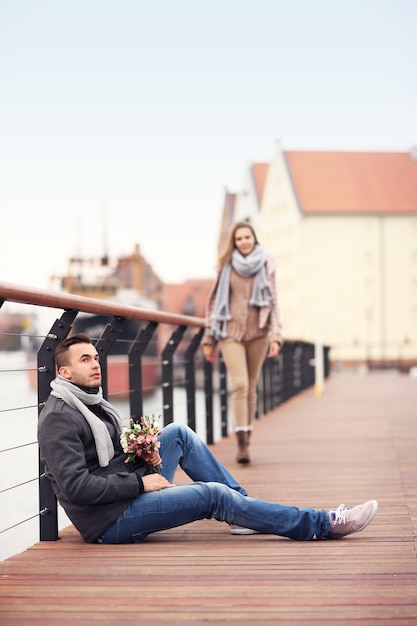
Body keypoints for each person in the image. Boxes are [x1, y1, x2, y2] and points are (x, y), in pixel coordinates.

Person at [38, 333, 378, 544]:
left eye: (97, 357)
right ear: (64, 372)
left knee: (177, 434)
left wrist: (140, 454)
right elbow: (76, 487)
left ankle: (243, 512)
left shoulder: (91, 402)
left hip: (121, 490)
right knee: (212, 495)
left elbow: (108, 462)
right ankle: (321, 523)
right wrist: (141, 485)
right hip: (109, 521)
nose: (96, 364)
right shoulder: (59, 418)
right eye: (86, 360)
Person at [202, 221, 282, 464]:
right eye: (239, 239)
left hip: (258, 332)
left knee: (251, 386)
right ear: (234, 242)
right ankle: (241, 444)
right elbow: (213, 302)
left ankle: (248, 435)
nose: (244, 242)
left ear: (254, 239)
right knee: (240, 384)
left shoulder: (267, 263)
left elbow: (274, 300)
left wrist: (275, 336)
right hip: (230, 332)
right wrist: (208, 338)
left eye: (247, 237)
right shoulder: (225, 265)